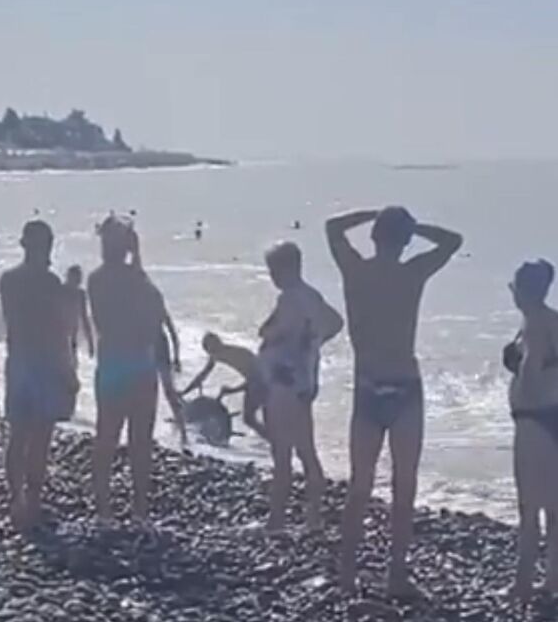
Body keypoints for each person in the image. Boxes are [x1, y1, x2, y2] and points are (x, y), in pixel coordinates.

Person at [326, 206, 462, 596]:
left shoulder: (356, 271)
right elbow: (453, 241)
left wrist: (372, 214)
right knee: (404, 486)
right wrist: (413, 226)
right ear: (404, 241)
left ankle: (348, 576)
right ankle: (395, 577)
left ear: (373, 237)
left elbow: (332, 227)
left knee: (360, 485)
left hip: (369, 386)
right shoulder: (411, 273)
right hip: (404, 387)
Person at [258, 241, 343, 531]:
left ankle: (277, 519)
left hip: (284, 381)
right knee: (306, 449)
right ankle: (313, 517)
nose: (272, 276)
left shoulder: (289, 299)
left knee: (282, 452)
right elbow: (336, 322)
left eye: (273, 270)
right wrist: (314, 342)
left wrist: (272, 335)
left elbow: (272, 331)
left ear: (285, 268)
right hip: (304, 380)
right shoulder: (312, 296)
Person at [0, 220, 78, 531]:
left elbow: (16, 322)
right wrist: (67, 371)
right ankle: (32, 501)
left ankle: (16, 498)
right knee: (41, 437)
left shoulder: (8, 280)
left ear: (23, 245)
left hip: (18, 359)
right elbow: (58, 329)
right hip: (44, 362)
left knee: (18, 434)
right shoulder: (50, 283)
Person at [87, 215, 165, 522]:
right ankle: (137, 508)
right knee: (136, 439)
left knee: (109, 434)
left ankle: (108, 507)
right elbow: (152, 311)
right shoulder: (135, 279)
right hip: (136, 363)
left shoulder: (98, 279)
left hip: (114, 362)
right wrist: (138, 257)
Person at [503, 259, 558, 601]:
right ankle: (552, 578)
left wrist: (523, 390)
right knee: (554, 506)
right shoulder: (551, 319)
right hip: (553, 415)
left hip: (534, 417)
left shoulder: (535, 324)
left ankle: (522, 583)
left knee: (529, 506)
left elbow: (533, 370)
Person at [182, 330, 267, 438]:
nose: (212, 356)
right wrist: (185, 392)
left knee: (251, 418)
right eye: (210, 353)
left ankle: (273, 443)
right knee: (255, 419)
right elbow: (202, 376)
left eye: (211, 351)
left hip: (265, 382)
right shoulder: (218, 354)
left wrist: (232, 390)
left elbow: (255, 379)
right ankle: (272, 444)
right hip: (261, 382)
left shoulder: (238, 354)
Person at [156, 307, 188, 446]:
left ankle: (183, 433)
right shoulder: (154, 301)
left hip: (156, 348)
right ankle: (182, 432)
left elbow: (173, 334)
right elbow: (173, 334)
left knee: (169, 392)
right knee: (169, 391)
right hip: (155, 347)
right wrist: (176, 357)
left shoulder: (146, 302)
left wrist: (176, 357)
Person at [62, 264, 94, 363]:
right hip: (58, 335)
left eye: (78, 278)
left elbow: (84, 319)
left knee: (72, 364)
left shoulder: (80, 295)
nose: (77, 281)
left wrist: (90, 342)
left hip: (72, 336)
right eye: (75, 278)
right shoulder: (60, 291)